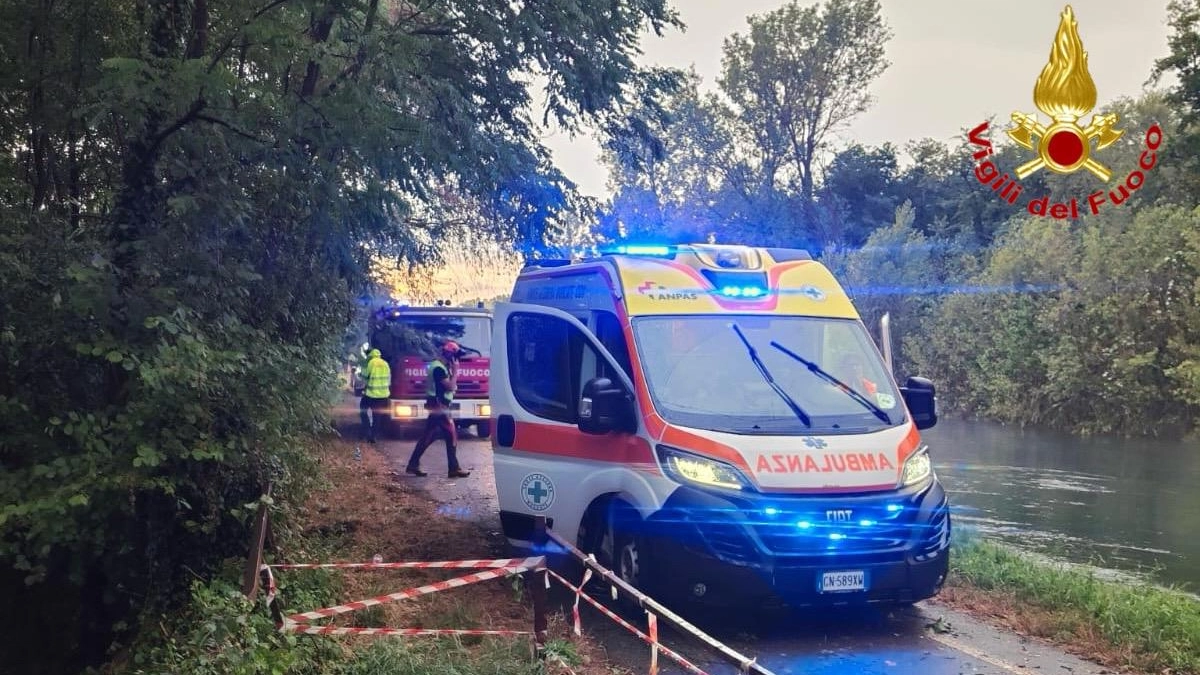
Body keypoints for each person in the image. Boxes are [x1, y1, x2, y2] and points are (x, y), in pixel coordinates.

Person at [405, 341, 471, 478]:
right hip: (439, 405)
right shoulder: (438, 369)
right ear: (449, 355)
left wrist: (452, 369)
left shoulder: (439, 366)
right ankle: (454, 468)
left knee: (430, 435)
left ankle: (413, 464)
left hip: (437, 404)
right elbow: (450, 387)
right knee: (451, 434)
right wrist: (457, 371)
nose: (456, 359)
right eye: (454, 356)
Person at [359, 347, 391, 443]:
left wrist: (361, 376)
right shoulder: (385, 364)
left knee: (363, 410)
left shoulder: (371, 362)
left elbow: (364, 376)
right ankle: (373, 437)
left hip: (371, 394)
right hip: (384, 395)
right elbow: (388, 380)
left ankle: (367, 431)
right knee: (377, 416)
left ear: (370, 355)